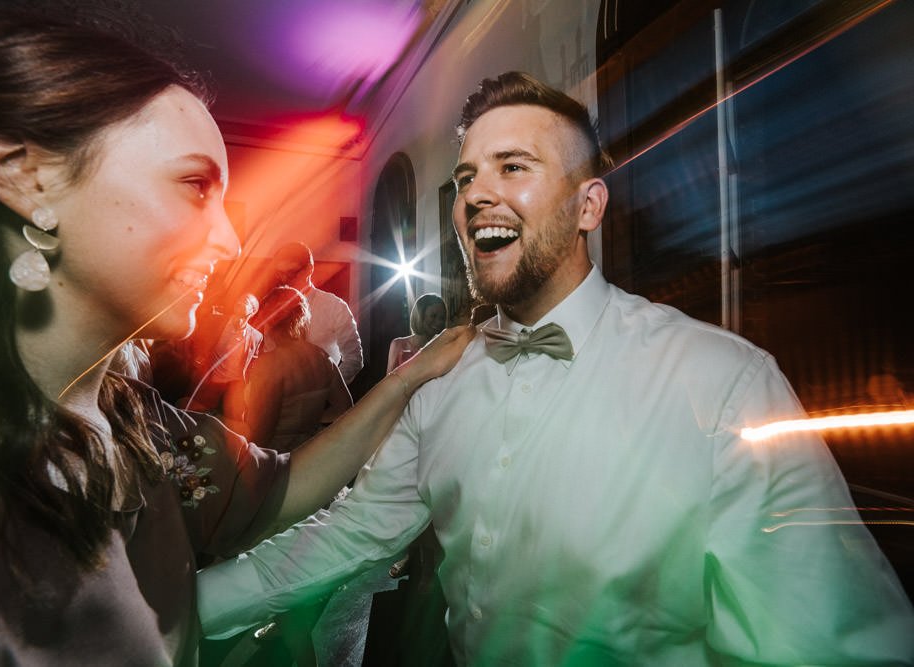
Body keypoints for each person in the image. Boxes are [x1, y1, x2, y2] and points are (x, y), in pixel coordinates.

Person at [198, 72, 914, 665]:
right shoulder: (439, 379)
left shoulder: (720, 383)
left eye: (514, 166)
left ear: (587, 205)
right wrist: (170, 614)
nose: (477, 193)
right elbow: (345, 536)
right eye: (467, 176)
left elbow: (833, 644)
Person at [0, 10, 472, 666]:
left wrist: (406, 379)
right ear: (21, 172)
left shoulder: (138, 423)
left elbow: (280, 487)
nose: (229, 242)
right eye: (192, 184)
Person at [223, 287, 352, 454]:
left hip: (275, 456)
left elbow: (262, 431)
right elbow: (345, 407)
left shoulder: (271, 363)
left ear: (269, 318)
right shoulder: (322, 357)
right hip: (308, 453)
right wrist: (309, 422)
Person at [273, 241, 364, 385]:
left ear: (309, 269)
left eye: (292, 273)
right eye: (280, 274)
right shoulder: (273, 308)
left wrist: (328, 391)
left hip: (323, 397)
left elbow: (354, 359)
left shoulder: (335, 307)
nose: (285, 280)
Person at [386, 293, 448, 374]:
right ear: (420, 315)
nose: (439, 322)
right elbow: (388, 380)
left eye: (442, 318)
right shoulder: (398, 344)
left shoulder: (441, 347)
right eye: (433, 316)